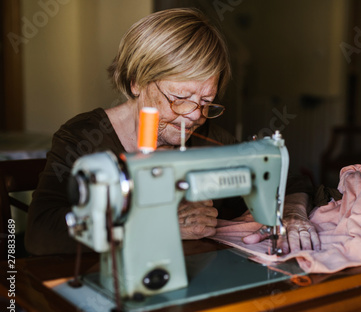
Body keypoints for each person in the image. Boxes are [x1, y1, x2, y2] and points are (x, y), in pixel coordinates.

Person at [26, 8, 319, 256]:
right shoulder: (83, 137)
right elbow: (40, 232)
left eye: (207, 102)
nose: (194, 116)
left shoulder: (211, 138)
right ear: (136, 82)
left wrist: (292, 213)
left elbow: (291, 183)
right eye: (179, 98)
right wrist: (157, 224)